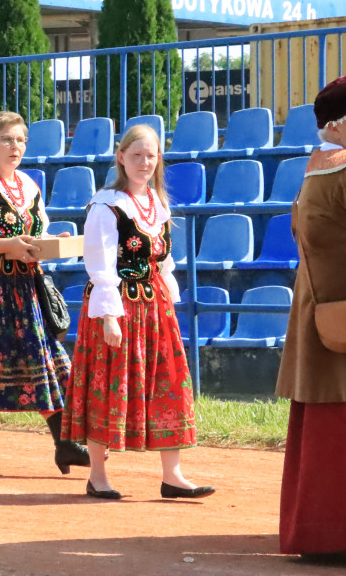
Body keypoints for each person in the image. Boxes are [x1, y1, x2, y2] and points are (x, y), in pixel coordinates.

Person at [60, 124, 214, 501]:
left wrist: (169, 298)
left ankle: (173, 476)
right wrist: (110, 314)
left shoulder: (157, 203)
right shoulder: (106, 204)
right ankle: (98, 475)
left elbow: (163, 260)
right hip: (119, 304)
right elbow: (99, 263)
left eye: (151, 155)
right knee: (107, 381)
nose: (145, 162)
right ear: (120, 157)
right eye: (137, 156)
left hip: (155, 306)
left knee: (168, 381)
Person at [0, 111, 90, 476]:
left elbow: (34, 232)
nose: (16, 147)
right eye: (8, 140)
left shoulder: (29, 185)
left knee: (46, 360)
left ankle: (65, 444)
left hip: (23, 288)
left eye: (21, 140)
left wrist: (50, 242)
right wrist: (6, 245)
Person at [277, 74, 346, 556]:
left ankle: (327, 534)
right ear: (336, 127)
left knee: (332, 437)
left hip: (330, 323)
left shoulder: (316, 169)